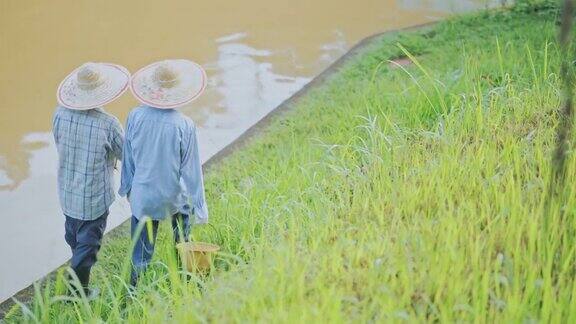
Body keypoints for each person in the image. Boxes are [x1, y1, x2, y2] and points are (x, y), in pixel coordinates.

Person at [119, 59, 209, 286]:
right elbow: (191, 171)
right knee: (184, 225)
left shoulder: (134, 117)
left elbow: (128, 157)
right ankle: (186, 274)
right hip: (172, 197)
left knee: (140, 255)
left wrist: (128, 188)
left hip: (143, 197)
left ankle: (133, 293)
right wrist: (201, 206)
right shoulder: (184, 125)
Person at [53, 62, 130, 299]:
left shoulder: (59, 114)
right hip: (94, 197)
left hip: (68, 192)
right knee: (89, 246)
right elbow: (125, 153)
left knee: (74, 237)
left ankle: (79, 276)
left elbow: (59, 143)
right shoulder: (107, 123)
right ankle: (76, 292)